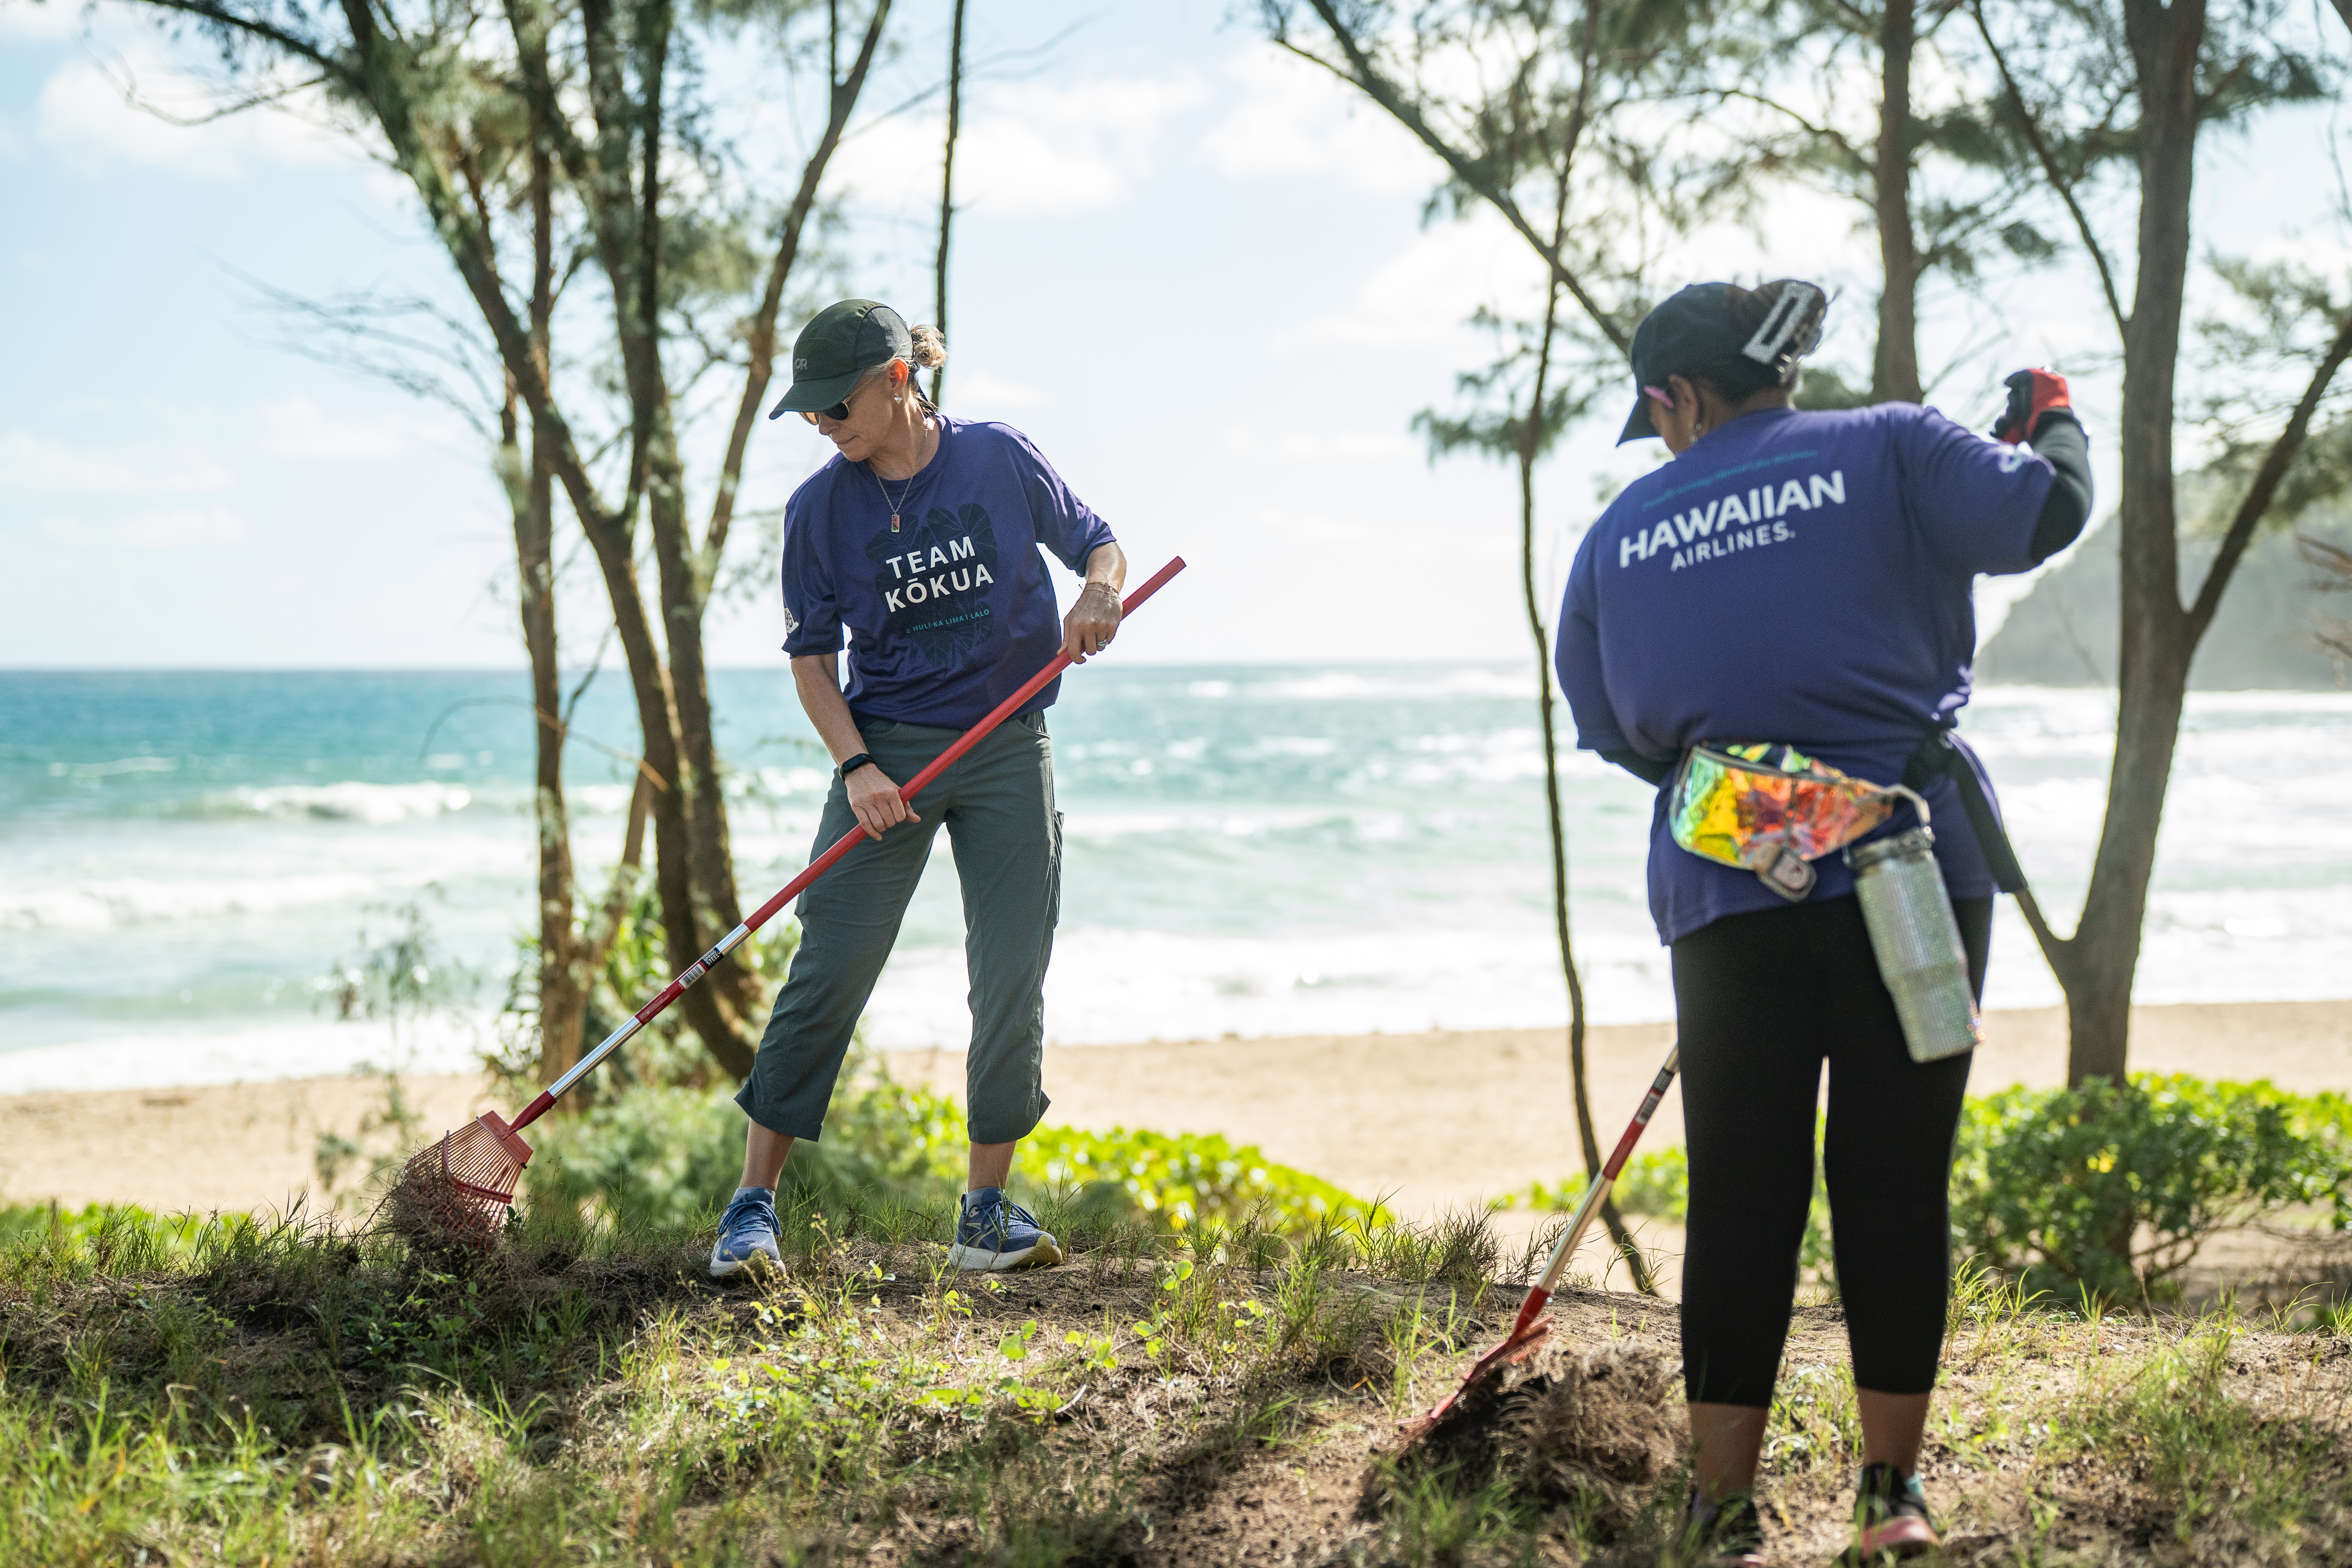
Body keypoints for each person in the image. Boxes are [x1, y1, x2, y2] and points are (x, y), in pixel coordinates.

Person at [1554, 280, 2092, 1565]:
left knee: (1743, 1194)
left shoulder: (1618, 532)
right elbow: (2047, 512)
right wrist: (2052, 416)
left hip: (1727, 881)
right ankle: (1888, 1500)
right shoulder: (1895, 442)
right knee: (1893, 1181)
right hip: (1913, 867)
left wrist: (1772, 818)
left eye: (1660, 416)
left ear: (1673, 397)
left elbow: (1623, 733)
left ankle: (1719, 1512)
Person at [706, 298, 1126, 1281]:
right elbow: (813, 661)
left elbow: (1098, 542)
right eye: (809, 410)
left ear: (897, 381)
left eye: (834, 404)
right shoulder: (820, 509)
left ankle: (984, 1214)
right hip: (886, 755)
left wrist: (1098, 592)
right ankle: (750, 1208)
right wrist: (858, 769)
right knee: (830, 969)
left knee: (1011, 973)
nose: (821, 423)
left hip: (1007, 744)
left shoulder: (996, 458)